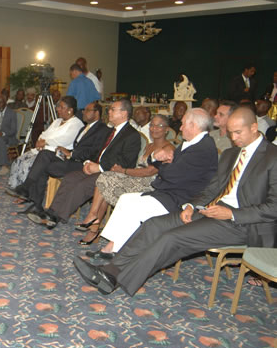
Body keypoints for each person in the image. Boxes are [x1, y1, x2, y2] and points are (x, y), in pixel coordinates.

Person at [73, 108, 277, 296]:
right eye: (231, 133)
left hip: (243, 223)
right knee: (154, 224)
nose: (234, 138)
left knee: (172, 238)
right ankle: (110, 270)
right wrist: (191, 205)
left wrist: (232, 214)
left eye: (239, 132)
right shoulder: (232, 154)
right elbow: (213, 188)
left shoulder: (272, 157)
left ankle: (114, 280)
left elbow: (274, 207)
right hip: (213, 211)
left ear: (254, 127)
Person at [90, 108, 219, 256]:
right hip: (168, 192)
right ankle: (113, 246)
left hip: (180, 200)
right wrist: (159, 159)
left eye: (183, 124)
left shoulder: (202, 149)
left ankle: (117, 251)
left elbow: (171, 175)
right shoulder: (192, 143)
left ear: (194, 126)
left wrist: (161, 162)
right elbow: (164, 166)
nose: (181, 127)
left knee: (134, 207)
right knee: (125, 199)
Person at [29, 99, 141, 228]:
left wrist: (99, 167)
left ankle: (55, 217)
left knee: (82, 185)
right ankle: (52, 212)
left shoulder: (132, 135)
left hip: (112, 174)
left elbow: (125, 162)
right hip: (96, 167)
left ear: (124, 113)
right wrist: (88, 163)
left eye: (112, 109)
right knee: (71, 178)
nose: (108, 111)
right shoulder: (111, 131)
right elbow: (97, 151)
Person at [76, 114, 175, 245]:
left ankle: (93, 221)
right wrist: (121, 171)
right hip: (136, 177)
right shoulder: (149, 145)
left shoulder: (168, 148)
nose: (154, 129)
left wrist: (123, 171)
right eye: (152, 125)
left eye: (159, 126)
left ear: (166, 129)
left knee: (106, 181)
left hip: (151, 184)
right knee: (106, 180)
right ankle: (94, 223)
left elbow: (150, 171)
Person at [7, 97, 86, 190]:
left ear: (70, 110)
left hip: (58, 154)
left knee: (27, 165)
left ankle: (26, 190)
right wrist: (40, 141)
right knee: (19, 160)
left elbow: (63, 140)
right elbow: (44, 133)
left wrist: (45, 142)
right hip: (44, 149)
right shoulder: (57, 121)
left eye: (61, 107)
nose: (57, 109)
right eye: (58, 106)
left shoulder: (76, 124)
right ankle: (17, 188)